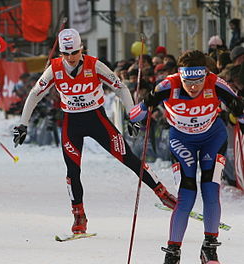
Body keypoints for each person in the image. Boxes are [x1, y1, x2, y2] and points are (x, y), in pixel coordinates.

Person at [13, 28, 176, 235]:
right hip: (71, 122)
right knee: (73, 172)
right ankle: (79, 215)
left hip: (96, 119)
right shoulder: (54, 68)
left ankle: (162, 193)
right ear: (60, 53)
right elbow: (35, 93)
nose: (71, 58)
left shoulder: (94, 64)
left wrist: (132, 115)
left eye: (74, 52)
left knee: (130, 159)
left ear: (81, 49)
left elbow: (121, 88)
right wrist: (23, 124)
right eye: (66, 53)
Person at [129, 50, 244, 263]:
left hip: (213, 137)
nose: (193, 86)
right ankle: (173, 252)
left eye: (198, 81)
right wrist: (135, 120)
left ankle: (209, 248)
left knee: (211, 190)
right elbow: (141, 107)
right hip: (182, 141)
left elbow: (239, 105)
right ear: (180, 76)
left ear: (205, 75)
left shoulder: (215, 83)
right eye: (187, 81)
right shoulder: (168, 86)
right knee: (186, 196)